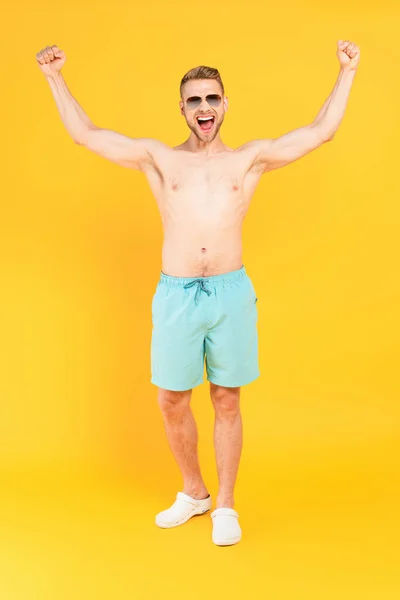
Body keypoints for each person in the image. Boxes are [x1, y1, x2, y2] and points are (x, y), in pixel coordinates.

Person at [36, 40, 360, 546]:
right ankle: (194, 492)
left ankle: (225, 505)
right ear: (182, 108)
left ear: (225, 105)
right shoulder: (159, 159)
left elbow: (322, 132)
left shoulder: (250, 160)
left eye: (212, 99)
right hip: (176, 294)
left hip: (230, 293)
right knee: (171, 400)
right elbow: (86, 135)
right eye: (194, 101)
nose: (203, 108)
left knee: (227, 399)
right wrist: (55, 77)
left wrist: (347, 69)